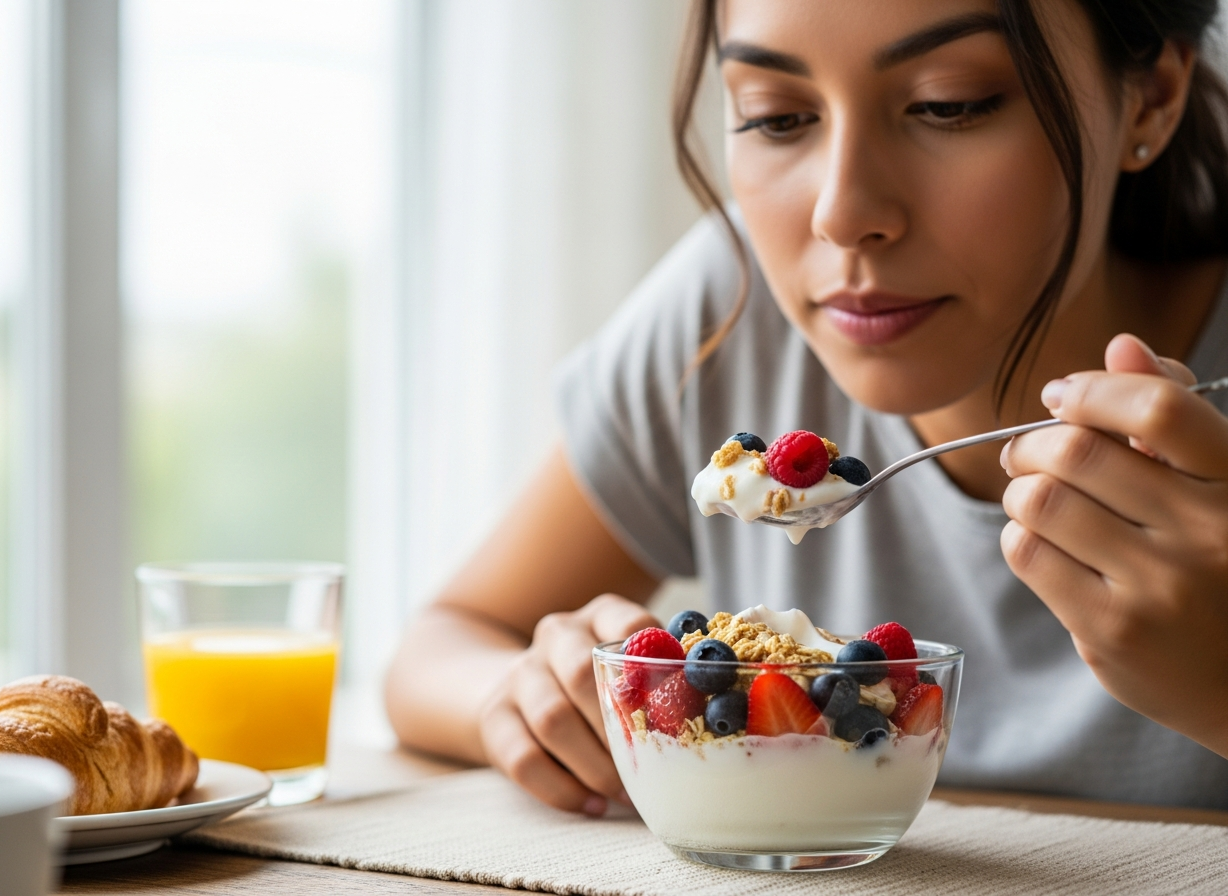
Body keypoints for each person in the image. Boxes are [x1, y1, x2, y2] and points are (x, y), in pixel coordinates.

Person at [385, 0, 1228, 815]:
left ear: (1151, 97)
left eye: (949, 105)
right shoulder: (731, 311)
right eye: (776, 117)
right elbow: (442, 645)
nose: (841, 212)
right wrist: (528, 695)